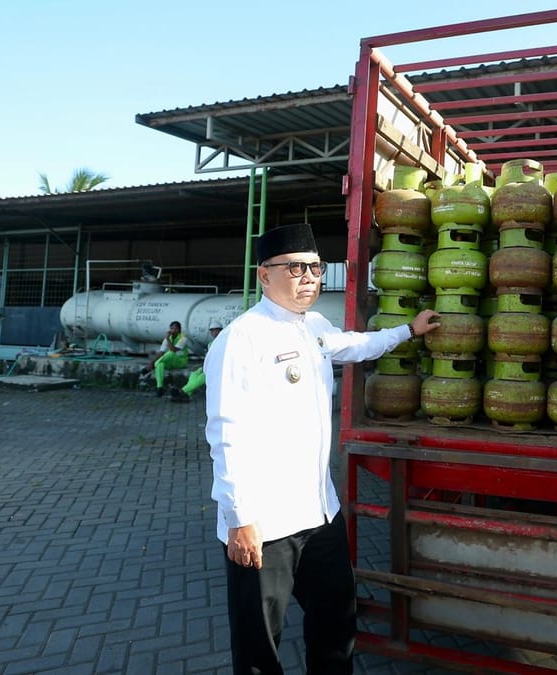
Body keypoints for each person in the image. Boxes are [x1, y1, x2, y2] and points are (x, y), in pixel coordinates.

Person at [205, 222, 438, 675]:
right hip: (264, 524)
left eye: (316, 266)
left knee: (335, 626)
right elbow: (225, 432)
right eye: (295, 267)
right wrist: (239, 519)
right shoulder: (241, 339)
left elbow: (355, 345)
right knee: (259, 647)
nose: (309, 276)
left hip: (319, 515)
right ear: (263, 275)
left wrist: (408, 330)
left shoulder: (312, 326)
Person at [170, 319, 223, 403]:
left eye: (216, 330)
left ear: (220, 330)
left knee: (202, 377)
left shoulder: (224, 342)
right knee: (194, 374)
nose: (214, 332)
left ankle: (181, 391)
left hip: (219, 368)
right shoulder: (210, 344)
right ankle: (187, 395)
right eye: (212, 330)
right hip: (209, 366)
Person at [141, 320, 188, 397]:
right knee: (160, 364)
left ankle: (153, 366)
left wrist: (168, 339)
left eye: (175, 329)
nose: (173, 330)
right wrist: (151, 363)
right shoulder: (168, 338)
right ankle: (159, 388)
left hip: (180, 361)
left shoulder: (183, 338)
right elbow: (161, 352)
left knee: (170, 353)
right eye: (171, 328)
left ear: (179, 329)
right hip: (171, 361)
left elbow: (173, 350)